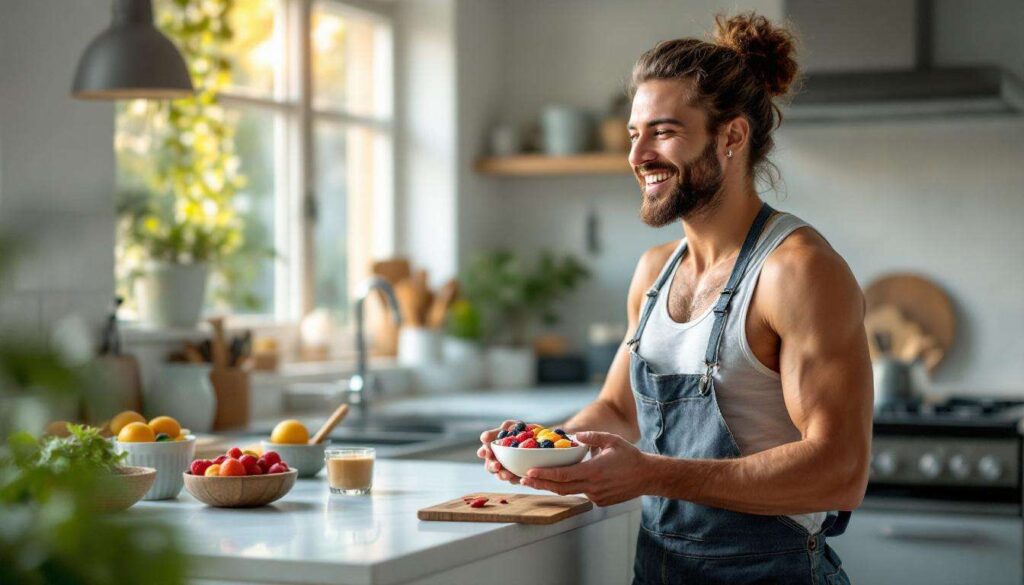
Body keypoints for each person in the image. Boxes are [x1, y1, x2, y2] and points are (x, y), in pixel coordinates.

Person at [478, 12, 872, 585]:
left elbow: (840, 471)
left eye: (662, 132)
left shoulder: (798, 272)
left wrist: (653, 475)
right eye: (635, 134)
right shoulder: (654, 272)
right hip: (662, 570)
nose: (638, 156)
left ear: (731, 137)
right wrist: (539, 450)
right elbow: (617, 412)